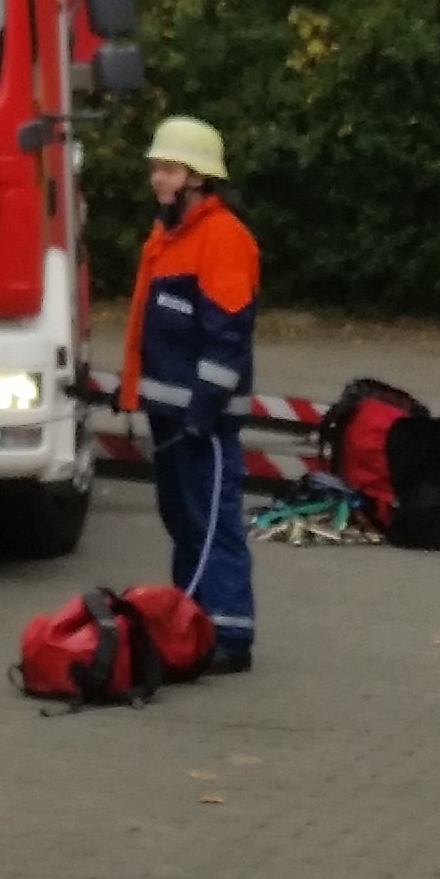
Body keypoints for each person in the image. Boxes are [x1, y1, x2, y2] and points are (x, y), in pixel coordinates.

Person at [119, 112, 259, 666]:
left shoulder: (222, 239)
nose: (159, 179)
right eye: (157, 168)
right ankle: (190, 623)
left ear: (199, 178)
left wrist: (204, 411)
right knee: (183, 521)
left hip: (206, 419)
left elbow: (228, 338)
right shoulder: (167, 238)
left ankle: (230, 636)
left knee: (213, 524)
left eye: (170, 170)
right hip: (171, 415)